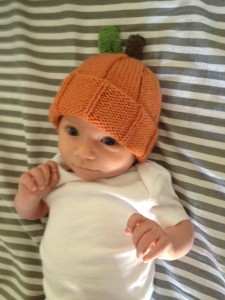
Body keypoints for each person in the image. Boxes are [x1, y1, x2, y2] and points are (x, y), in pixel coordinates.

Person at [14, 27, 194, 300]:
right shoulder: (57, 168)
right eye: (73, 132)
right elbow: (33, 213)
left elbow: (183, 231)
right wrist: (29, 196)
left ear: (136, 150)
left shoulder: (147, 179)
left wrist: (167, 244)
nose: (84, 152)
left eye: (109, 141)